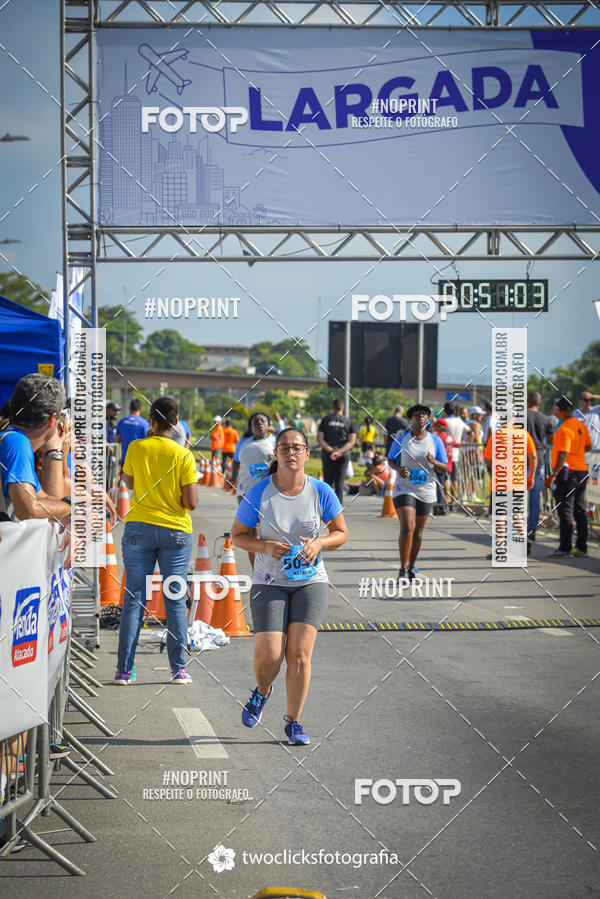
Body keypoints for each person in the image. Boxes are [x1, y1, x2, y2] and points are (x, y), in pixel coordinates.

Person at [231, 427, 348, 745]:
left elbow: (341, 532)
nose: (291, 452)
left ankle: (293, 722)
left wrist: (320, 543)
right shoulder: (259, 493)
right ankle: (262, 691)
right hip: (269, 581)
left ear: (308, 454)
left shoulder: (321, 491)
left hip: (310, 581)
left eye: (297, 447)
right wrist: (265, 547)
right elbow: (237, 536)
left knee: (298, 654)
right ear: (276, 454)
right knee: (269, 656)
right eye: (284, 447)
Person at [115, 396, 198, 685]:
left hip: (139, 527)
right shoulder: (184, 454)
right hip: (175, 529)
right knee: (174, 598)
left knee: (134, 598)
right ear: (176, 422)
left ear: (151, 420)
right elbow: (191, 502)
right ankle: (179, 669)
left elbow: (129, 483)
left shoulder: (137, 447)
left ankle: (124, 670)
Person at [0, 374, 73, 528]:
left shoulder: (13, 438)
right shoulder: (17, 442)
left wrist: (54, 451)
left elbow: (50, 500)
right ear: (53, 419)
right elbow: (29, 510)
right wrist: (73, 508)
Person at [387, 404, 448, 581]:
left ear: (428, 419)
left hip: (426, 489)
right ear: (412, 418)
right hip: (404, 487)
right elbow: (391, 459)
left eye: (424, 415)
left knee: (418, 533)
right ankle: (402, 569)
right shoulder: (402, 438)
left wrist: (434, 462)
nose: (421, 417)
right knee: (408, 527)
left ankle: (411, 566)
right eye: (417, 415)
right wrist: (399, 469)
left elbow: (444, 468)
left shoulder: (436, 441)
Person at [545, 396, 591, 558]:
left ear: (561, 411)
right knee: (579, 510)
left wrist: (554, 474)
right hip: (581, 471)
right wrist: (577, 455)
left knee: (565, 511)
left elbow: (563, 453)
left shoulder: (564, 429)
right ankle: (581, 548)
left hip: (567, 472)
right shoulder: (581, 426)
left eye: (557, 410)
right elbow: (588, 445)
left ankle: (565, 547)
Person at [483, 424, 537, 559]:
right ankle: (524, 538)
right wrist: (531, 476)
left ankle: (500, 549)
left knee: (499, 516)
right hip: (517, 481)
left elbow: (487, 459)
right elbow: (534, 456)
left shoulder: (497, 435)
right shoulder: (524, 434)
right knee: (515, 513)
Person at [231, 413, 276, 568]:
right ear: (251, 427)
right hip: (245, 491)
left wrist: (275, 458)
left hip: (268, 491)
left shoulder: (275, 441)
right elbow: (236, 462)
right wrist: (232, 477)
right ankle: (257, 571)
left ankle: (273, 569)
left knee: (271, 531)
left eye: (263, 421)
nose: (259, 424)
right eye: (255, 422)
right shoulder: (243, 443)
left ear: (269, 424)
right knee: (251, 533)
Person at [526, 391, 554, 551]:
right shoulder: (545, 418)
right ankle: (532, 530)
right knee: (535, 497)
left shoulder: (520, 416)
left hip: (522, 459)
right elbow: (552, 438)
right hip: (539, 459)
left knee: (517, 497)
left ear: (527, 401)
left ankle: (517, 529)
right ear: (540, 403)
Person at [317, 399, 357, 503]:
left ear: (333, 407)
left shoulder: (325, 420)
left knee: (327, 482)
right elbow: (352, 441)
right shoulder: (349, 422)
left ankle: (325, 505)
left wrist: (331, 451)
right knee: (339, 482)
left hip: (328, 454)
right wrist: (340, 452)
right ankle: (337, 509)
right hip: (343, 455)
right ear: (342, 408)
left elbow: (320, 438)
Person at [443, 402, 471, 509]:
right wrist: (464, 444)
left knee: (445, 478)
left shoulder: (444, 422)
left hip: (445, 453)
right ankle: (454, 500)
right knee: (455, 478)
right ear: (455, 411)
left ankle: (445, 499)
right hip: (456, 452)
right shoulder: (460, 421)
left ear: (445, 411)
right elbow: (470, 432)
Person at [115, 399, 150, 466]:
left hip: (125, 459)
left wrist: (119, 457)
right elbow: (147, 442)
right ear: (140, 409)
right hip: (139, 460)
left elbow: (116, 441)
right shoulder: (144, 423)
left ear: (129, 408)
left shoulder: (122, 421)